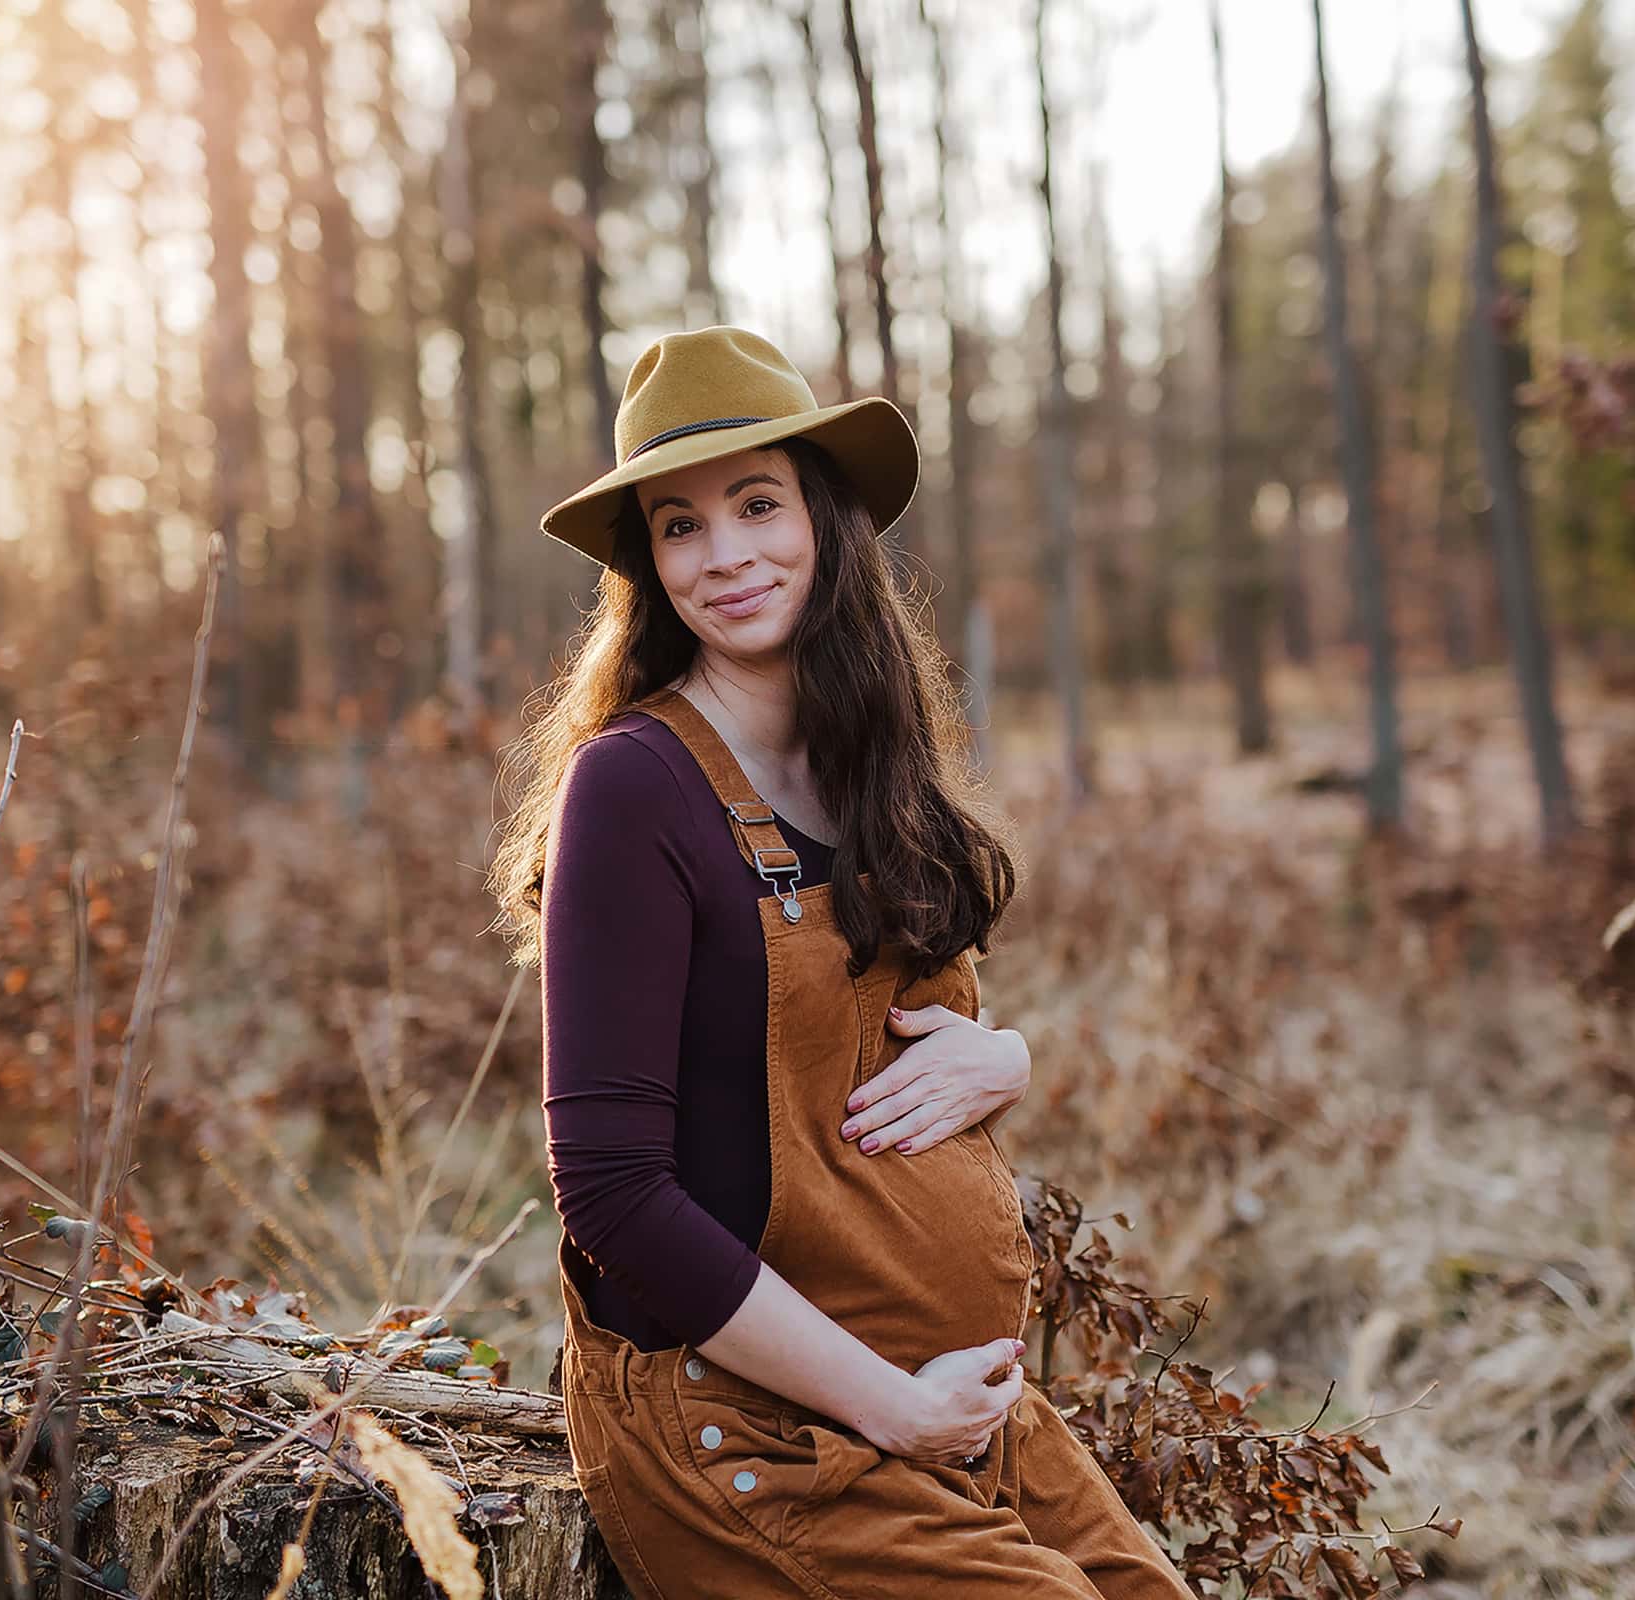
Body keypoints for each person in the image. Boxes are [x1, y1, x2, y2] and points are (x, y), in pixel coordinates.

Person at [488, 325, 1193, 1597]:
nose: (725, 554)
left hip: (961, 1407)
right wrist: (890, 1405)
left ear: (822, 518)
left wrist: (1006, 1053)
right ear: (648, 564)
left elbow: (871, 1033)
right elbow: (606, 1192)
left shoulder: (869, 756)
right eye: (679, 525)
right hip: (747, 1429)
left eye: (757, 504)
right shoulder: (634, 786)